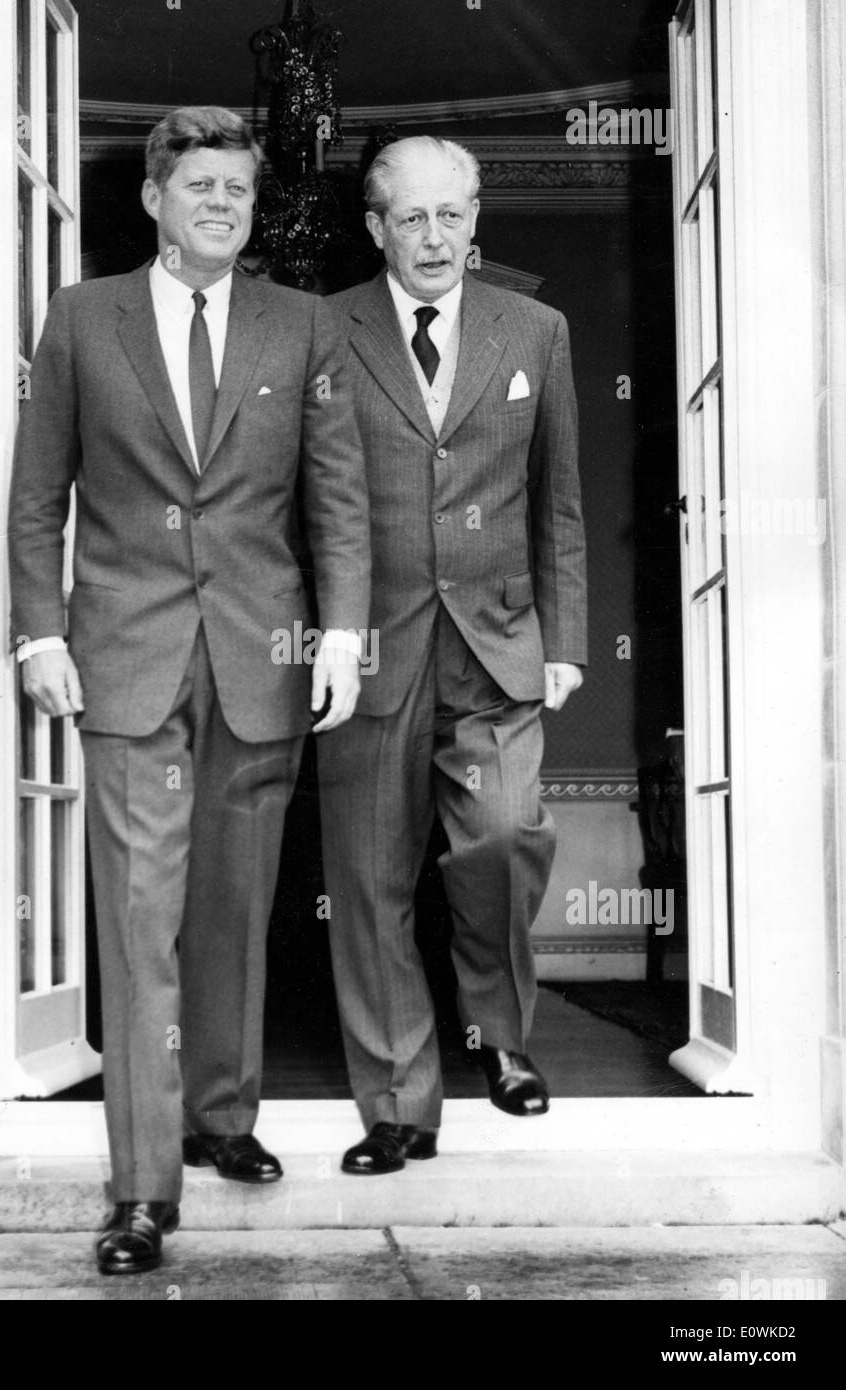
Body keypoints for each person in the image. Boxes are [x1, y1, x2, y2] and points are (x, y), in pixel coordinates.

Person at [8, 106, 369, 1270]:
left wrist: (343, 637)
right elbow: (36, 497)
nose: (223, 203)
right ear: (155, 199)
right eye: (200, 185)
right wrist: (37, 635)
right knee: (138, 915)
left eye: (239, 190)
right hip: (125, 657)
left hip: (259, 659)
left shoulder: (302, 326)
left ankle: (224, 1117)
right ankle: (141, 1187)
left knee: (232, 906)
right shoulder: (81, 318)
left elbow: (337, 499)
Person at [318, 135, 587, 1176]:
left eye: (452, 214)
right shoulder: (322, 330)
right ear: (376, 226)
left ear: (475, 218)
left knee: (502, 839)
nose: (434, 237)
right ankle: (396, 1107)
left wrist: (564, 639)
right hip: (368, 650)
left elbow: (559, 498)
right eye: (411, 217)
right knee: (369, 880)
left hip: (496, 647)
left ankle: (498, 1033)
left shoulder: (537, 330)